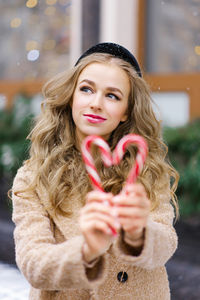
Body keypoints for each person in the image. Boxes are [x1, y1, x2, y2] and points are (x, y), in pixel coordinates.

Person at [11, 42, 179, 300]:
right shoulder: (33, 177)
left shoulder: (145, 171)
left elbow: (166, 243)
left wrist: (138, 233)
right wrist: (87, 250)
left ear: (126, 111)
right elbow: (34, 264)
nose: (96, 103)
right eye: (87, 89)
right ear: (71, 97)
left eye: (112, 95)